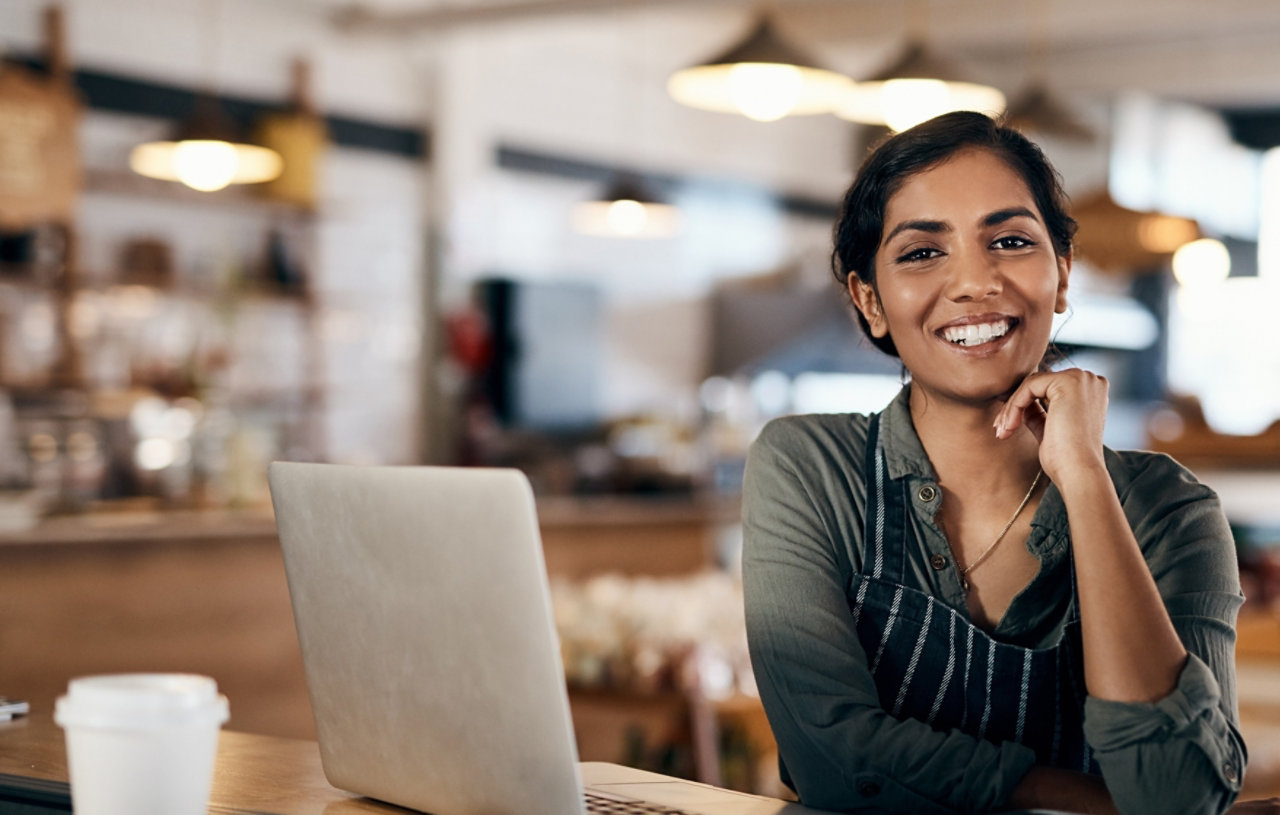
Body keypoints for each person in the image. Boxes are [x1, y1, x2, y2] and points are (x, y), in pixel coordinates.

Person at [742, 111, 1276, 814]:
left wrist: (1085, 479)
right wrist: (1075, 797)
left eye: (1011, 240)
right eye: (922, 252)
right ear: (869, 301)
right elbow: (830, 759)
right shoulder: (810, 466)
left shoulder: (1171, 511)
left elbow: (1180, 792)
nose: (974, 282)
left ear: (1061, 277)